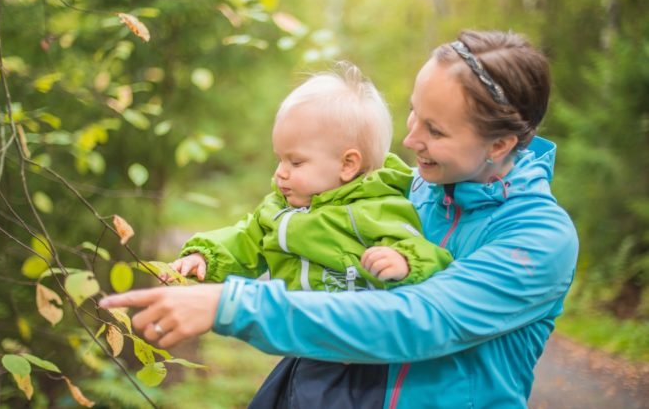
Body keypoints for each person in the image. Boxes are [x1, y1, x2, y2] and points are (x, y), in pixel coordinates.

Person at [100, 30, 579, 408]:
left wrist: (234, 306)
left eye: (434, 130)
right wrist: (215, 260)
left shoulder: (537, 239)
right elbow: (275, 230)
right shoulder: (407, 188)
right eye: (413, 114)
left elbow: (419, 321)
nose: (410, 140)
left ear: (500, 145)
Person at [164, 62, 452, 293]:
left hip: (355, 352)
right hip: (303, 342)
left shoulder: (376, 208)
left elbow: (427, 254)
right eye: (280, 159)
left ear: (348, 165)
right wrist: (204, 256)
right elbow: (244, 241)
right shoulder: (279, 210)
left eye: (296, 162)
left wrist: (403, 261)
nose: (280, 172)